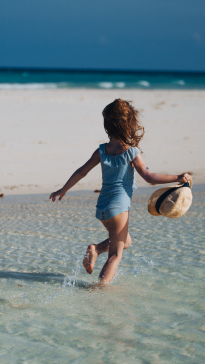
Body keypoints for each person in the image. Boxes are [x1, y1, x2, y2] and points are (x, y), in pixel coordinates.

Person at [49, 99, 192, 287]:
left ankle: (96, 249)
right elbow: (149, 177)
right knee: (116, 255)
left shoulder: (102, 150)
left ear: (108, 126)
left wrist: (64, 189)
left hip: (102, 208)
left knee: (126, 241)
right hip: (118, 208)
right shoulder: (131, 152)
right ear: (129, 124)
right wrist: (177, 177)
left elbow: (82, 171)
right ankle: (99, 289)